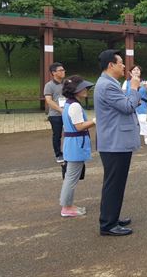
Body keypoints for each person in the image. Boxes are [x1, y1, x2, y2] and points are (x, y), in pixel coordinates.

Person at [94, 50, 139, 236]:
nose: (123, 66)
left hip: (114, 141)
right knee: (114, 183)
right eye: (120, 63)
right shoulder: (107, 86)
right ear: (110, 65)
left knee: (116, 182)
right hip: (114, 142)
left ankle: (112, 217)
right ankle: (108, 224)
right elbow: (128, 107)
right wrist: (135, 88)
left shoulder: (108, 83)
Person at [58, 75, 94, 218]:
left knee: (71, 176)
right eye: (82, 87)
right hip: (76, 145)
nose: (86, 89)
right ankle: (66, 207)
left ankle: (68, 205)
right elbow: (79, 126)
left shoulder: (69, 103)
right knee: (71, 177)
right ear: (75, 90)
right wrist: (95, 120)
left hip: (72, 144)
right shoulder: (75, 105)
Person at [122, 65, 147, 146]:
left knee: (142, 120)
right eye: (134, 70)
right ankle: (130, 138)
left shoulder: (145, 82)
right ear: (131, 72)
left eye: (138, 70)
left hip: (142, 104)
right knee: (130, 121)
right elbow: (123, 92)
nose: (136, 71)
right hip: (130, 103)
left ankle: (146, 137)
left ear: (140, 72)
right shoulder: (127, 82)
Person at [44, 62, 66, 163]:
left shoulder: (66, 83)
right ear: (53, 73)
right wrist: (61, 110)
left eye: (63, 70)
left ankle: (68, 152)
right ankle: (58, 154)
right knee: (57, 135)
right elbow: (49, 100)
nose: (63, 72)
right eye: (60, 70)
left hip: (67, 113)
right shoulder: (49, 85)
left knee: (70, 133)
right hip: (55, 115)